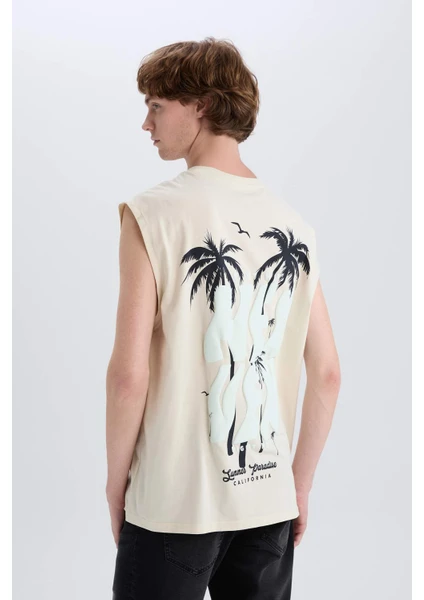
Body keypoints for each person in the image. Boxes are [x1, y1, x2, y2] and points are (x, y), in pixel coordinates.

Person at [106, 36, 341, 600]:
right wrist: (298, 486)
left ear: (202, 105)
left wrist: (116, 486)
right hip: (268, 506)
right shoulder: (293, 226)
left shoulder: (153, 214)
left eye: (156, 106)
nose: (146, 124)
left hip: (172, 506)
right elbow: (328, 373)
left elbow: (128, 377)